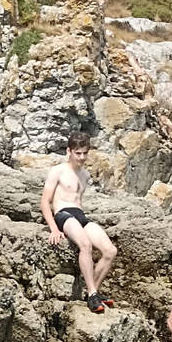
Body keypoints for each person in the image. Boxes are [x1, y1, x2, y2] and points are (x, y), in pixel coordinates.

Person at [40, 131, 117, 314]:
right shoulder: (57, 171)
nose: (81, 157)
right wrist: (53, 229)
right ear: (69, 151)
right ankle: (92, 295)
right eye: (78, 153)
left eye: (84, 153)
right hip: (63, 214)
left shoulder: (85, 175)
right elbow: (44, 202)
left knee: (110, 251)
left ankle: (93, 291)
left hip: (80, 215)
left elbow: (79, 201)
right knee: (85, 244)